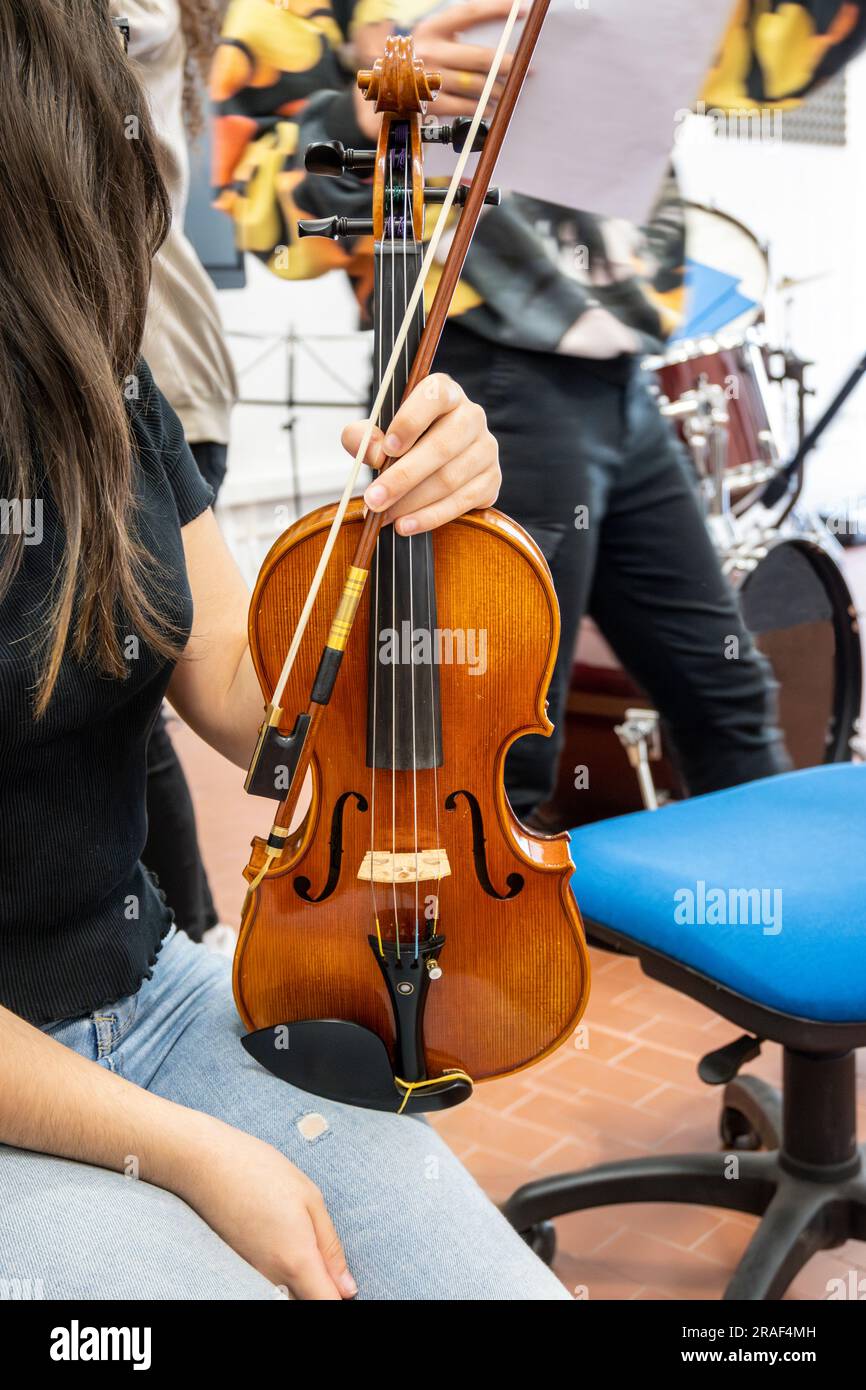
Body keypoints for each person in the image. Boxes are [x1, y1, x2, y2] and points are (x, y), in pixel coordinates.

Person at [0, 0, 566, 1301]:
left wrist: (437, 533)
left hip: (152, 988)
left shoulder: (103, 380)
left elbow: (262, 710)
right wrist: (193, 1153)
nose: (172, 169)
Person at [210, 0, 866, 823]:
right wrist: (368, 111)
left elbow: (769, 58)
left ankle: (766, 933)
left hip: (620, 365)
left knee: (726, 694)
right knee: (507, 747)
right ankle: (486, 949)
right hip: (478, 371)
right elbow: (253, 197)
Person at [113, 0, 239, 944]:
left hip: (157, 381)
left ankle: (186, 945)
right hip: (137, 371)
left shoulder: (129, 18)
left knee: (134, 697)